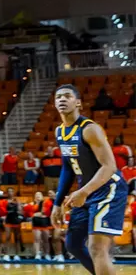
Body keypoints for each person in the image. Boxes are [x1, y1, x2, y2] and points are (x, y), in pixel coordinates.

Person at [51, 85, 128, 275]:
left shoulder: (89, 129)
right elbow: (68, 168)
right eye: (58, 97)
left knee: (96, 247)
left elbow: (109, 166)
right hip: (86, 191)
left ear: (78, 103)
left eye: (67, 96)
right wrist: (58, 202)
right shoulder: (60, 132)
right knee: (73, 244)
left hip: (108, 188)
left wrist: (83, 192)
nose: (62, 99)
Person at [25, 191, 52, 261]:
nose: (38, 196)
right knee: (37, 239)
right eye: (36, 195)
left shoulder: (46, 203)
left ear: (42, 196)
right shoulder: (31, 205)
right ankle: (37, 254)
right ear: (34, 197)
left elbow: (46, 212)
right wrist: (36, 214)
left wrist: (37, 214)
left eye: (39, 194)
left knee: (46, 240)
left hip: (44, 223)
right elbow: (30, 214)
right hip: (36, 223)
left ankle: (47, 254)